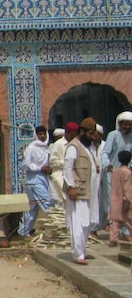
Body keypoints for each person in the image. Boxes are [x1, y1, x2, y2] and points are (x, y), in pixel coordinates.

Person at [64, 117, 99, 265]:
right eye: (90, 133)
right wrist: (71, 187)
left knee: (86, 223)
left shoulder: (89, 148)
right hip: (78, 192)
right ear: (82, 132)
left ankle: (83, 251)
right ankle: (77, 254)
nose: (93, 137)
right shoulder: (74, 147)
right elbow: (67, 167)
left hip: (89, 192)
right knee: (78, 222)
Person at [17, 126, 54, 236]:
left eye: (44, 134)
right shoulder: (31, 148)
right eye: (40, 134)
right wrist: (39, 168)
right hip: (34, 181)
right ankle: (58, 227)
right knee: (48, 204)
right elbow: (25, 165)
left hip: (43, 179)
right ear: (36, 135)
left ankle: (22, 232)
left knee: (32, 209)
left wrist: (48, 169)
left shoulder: (46, 148)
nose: (42, 136)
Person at [101, 112, 132, 234]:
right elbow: (105, 153)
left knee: (127, 200)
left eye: (130, 125)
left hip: (127, 174)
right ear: (120, 124)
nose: (128, 127)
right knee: (112, 200)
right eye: (126, 124)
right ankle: (113, 226)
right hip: (113, 173)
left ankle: (125, 229)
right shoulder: (113, 135)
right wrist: (107, 164)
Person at [50, 122, 78, 204]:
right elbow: (52, 162)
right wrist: (66, 163)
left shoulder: (76, 144)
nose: (73, 137)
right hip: (60, 177)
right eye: (72, 135)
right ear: (67, 133)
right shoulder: (58, 144)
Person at [108, 150, 132, 247]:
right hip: (125, 199)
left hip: (115, 199)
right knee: (129, 220)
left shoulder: (115, 172)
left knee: (115, 221)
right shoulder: (128, 173)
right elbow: (127, 188)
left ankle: (113, 239)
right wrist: (128, 200)